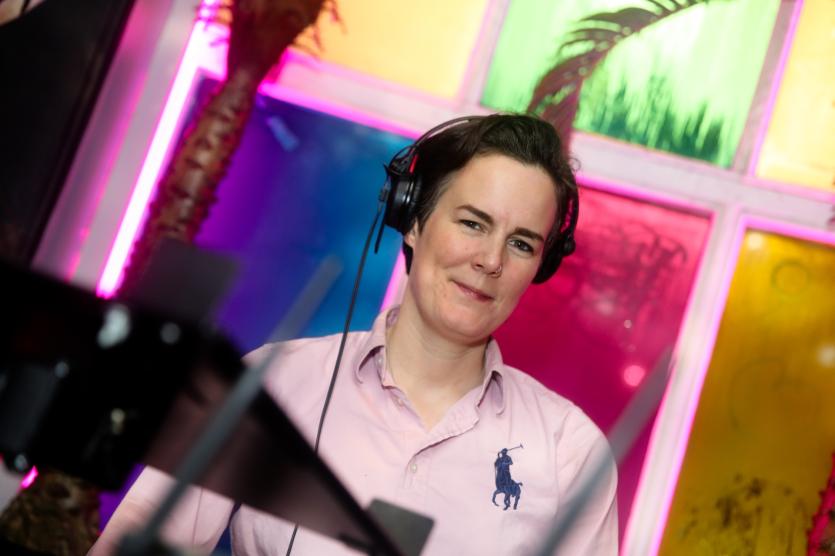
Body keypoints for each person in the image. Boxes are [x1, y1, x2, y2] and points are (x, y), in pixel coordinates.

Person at [90, 114, 618, 555]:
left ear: (540, 266)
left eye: (521, 244)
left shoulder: (569, 452)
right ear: (412, 220)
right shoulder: (269, 383)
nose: (491, 260)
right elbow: (140, 537)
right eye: (472, 223)